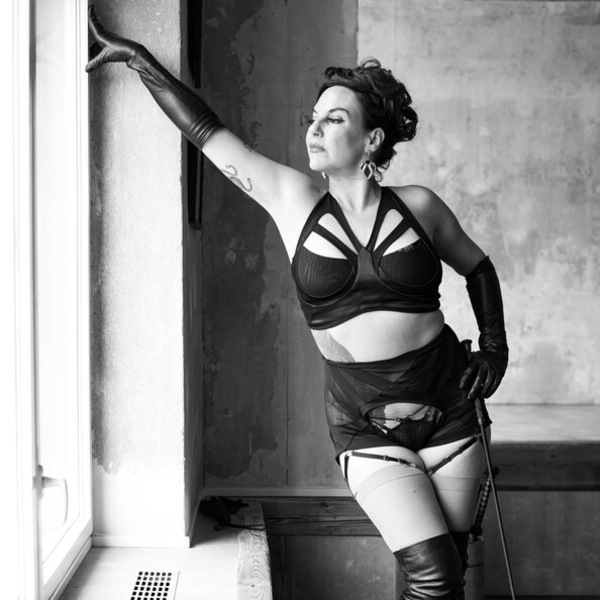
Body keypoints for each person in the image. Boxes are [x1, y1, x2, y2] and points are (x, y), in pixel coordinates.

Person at [86, 6, 508, 599]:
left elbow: (478, 268)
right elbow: (208, 134)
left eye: (334, 119)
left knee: (448, 572)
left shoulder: (421, 205)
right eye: (313, 118)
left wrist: (495, 349)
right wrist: (138, 59)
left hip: (452, 406)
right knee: (432, 574)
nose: (314, 128)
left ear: (372, 139)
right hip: (364, 421)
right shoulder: (294, 200)